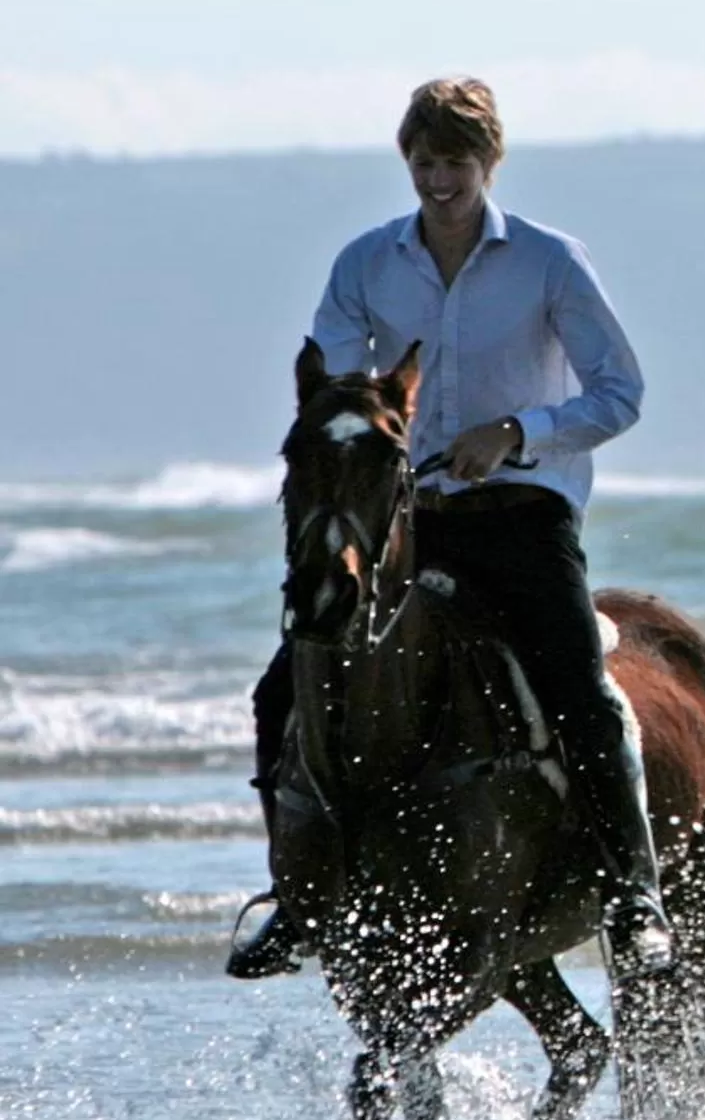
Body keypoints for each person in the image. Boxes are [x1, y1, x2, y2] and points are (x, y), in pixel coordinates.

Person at [228, 76, 670, 979]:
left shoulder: (550, 262)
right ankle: (298, 901)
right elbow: (338, 385)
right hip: (407, 521)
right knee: (283, 688)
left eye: (456, 164)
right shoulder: (365, 264)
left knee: (580, 693)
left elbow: (619, 394)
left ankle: (634, 896)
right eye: (425, 163)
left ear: (488, 162)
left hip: (522, 513)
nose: (439, 181)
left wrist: (516, 434)